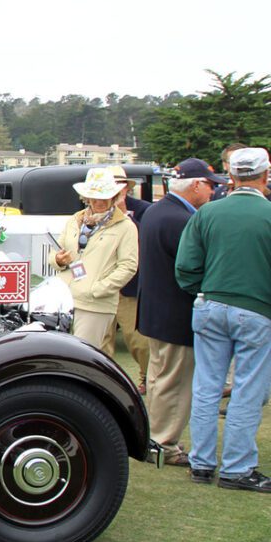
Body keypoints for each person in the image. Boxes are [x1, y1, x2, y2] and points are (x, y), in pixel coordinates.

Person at [175, 147, 271, 492]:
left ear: (231, 177)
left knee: (206, 387)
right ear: (264, 175)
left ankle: (202, 463)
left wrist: (205, 289)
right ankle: (237, 468)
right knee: (247, 389)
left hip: (209, 304)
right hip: (256, 309)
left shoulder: (208, 213)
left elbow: (185, 267)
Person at [136, 158, 225, 467]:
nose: (213, 192)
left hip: (155, 313)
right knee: (173, 383)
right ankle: (164, 444)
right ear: (196, 185)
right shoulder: (179, 219)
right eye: (211, 185)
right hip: (174, 314)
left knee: (162, 380)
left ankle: (156, 438)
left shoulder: (156, 212)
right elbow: (193, 267)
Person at [50, 167, 139, 354]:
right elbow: (56, 250)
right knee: (60, 353)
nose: (98, 201)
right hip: (65, 298)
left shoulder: (125, 227)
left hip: (95, 304)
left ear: (113, 197)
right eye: (94, 196)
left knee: (81, 356)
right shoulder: (75, 220)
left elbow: (128, 266)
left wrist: (98, 289)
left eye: (104, 196)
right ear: (86, 198)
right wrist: (58, 259)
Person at [102, 167, 151, 390]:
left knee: (138, 340)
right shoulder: (92, 212)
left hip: (130, 287)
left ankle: (148, 378)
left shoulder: (143, 210)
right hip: (101, 285)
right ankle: (105, 382)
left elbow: (146, 243)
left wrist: (123, 215)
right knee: (102, 340)